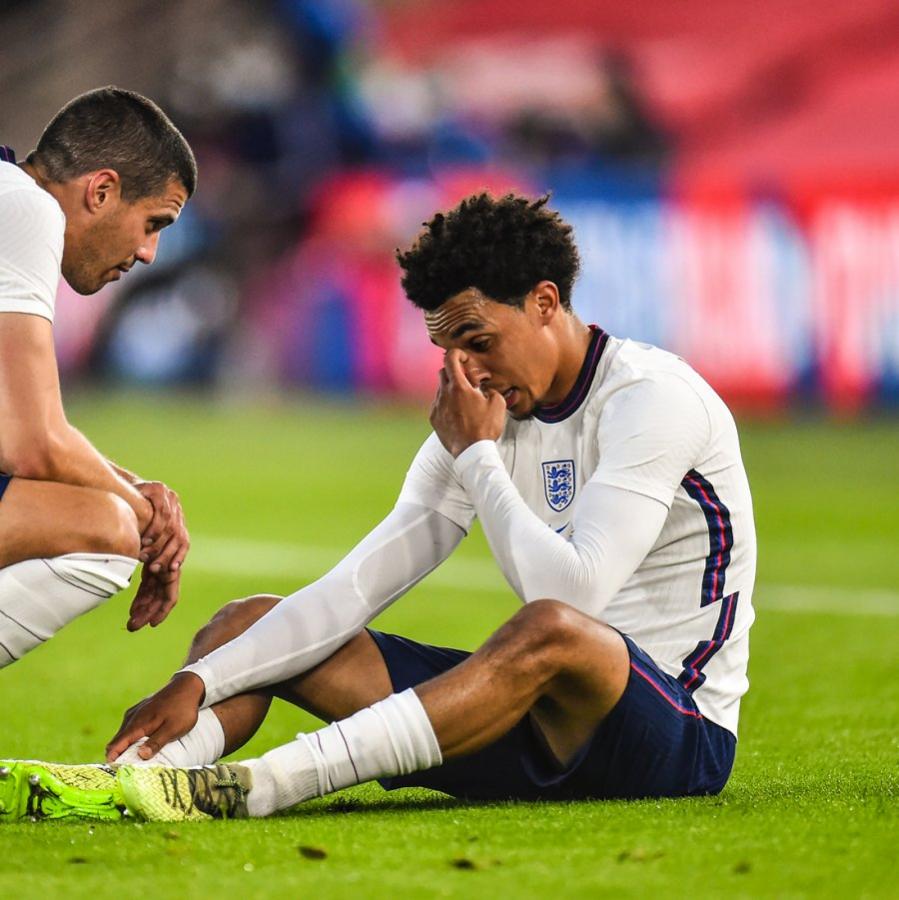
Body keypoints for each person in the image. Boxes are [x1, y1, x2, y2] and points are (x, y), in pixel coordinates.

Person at [0, 193, 755, 823]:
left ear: (545, 301)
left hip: (670, 735)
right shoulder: (480, 417)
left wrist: (479, 459)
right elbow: (357, 586)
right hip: (527, 724)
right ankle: (135, 783)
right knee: (246, 625)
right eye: (447, 350)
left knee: (553, 629)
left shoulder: (649, 400)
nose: (465, 372)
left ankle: (258, 788)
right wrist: (201, 682)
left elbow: (573, 598)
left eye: (478, 340)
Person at [0, 87, 196, 669]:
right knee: (105, 531)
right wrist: (144, 518)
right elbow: (31, 444)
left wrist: (133, 488)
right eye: (153, 222)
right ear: (102, 190)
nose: (149, 253)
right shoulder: (25, 207)